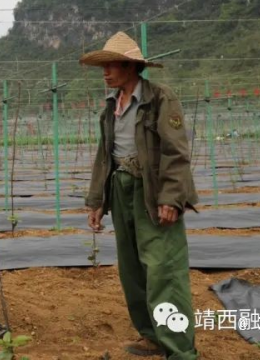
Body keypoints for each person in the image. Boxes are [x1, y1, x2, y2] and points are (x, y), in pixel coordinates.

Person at [81, 32, 199, 360]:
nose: (105, 73)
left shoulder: (160, 98)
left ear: (131, 66)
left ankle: (179, 351)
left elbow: (176, 151)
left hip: (152, 191)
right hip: (120, 189)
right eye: (102, 66)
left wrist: (171, 198)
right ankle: (152, 336)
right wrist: (97, 201)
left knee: (163, 270)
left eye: (111, 65)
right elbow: (105, 155)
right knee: (132, 270)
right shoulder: (110, 107)